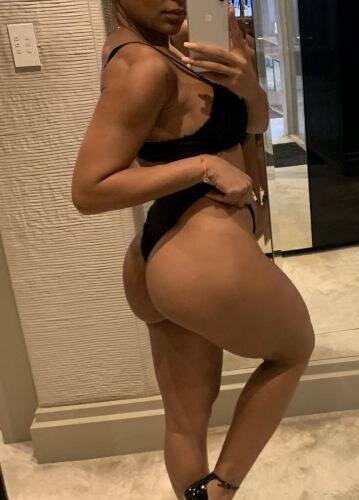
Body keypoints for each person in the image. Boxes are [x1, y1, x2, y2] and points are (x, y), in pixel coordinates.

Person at [71, 1, 315, 498]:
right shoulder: (140, 65)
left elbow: (254, 125)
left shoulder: (165, 48)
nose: (176, 1)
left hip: (161, 253)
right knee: (294, 351)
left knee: (185, 421)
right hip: (198, 256)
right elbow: (88, 190)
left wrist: (247, 86)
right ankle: (220, 490)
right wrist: (203, 165)